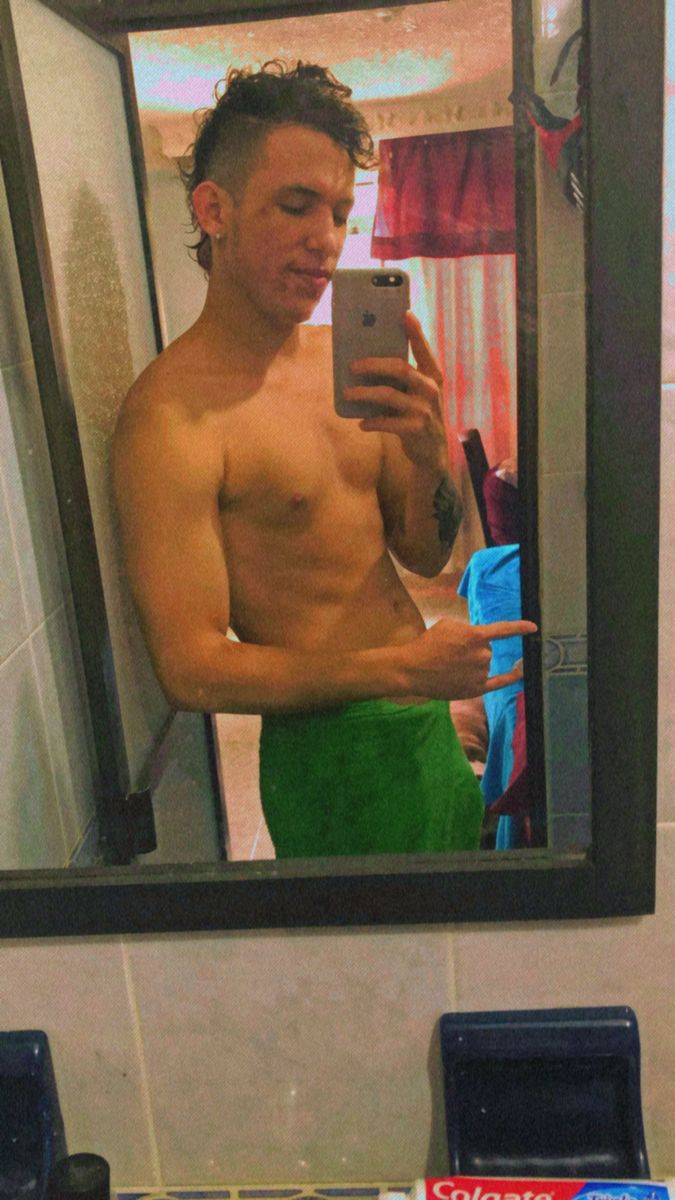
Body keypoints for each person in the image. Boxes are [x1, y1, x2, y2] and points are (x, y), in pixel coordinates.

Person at [112, 61, 535, 858]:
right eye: (295, 204)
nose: (326, 239)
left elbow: (422, 553)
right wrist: (401, 670)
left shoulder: (342, 362)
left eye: (339, 211)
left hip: (421, 722)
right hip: (329, 755)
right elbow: (193, 670)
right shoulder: (169, 418)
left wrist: (427, 453)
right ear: (214, 210)